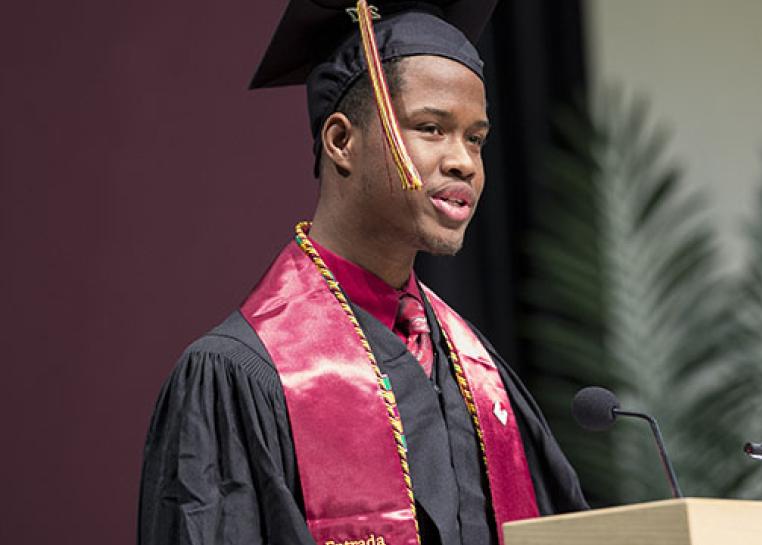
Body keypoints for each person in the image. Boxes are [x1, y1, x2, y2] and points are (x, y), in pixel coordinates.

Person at [137, 1, 588, 544]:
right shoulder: (239, 376)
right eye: (431, 128)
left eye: (475, 138)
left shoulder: (478, 373)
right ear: (341, 142)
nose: (464, 162)